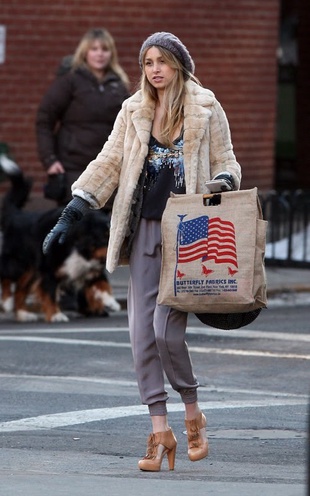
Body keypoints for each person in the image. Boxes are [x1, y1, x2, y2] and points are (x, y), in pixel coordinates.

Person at [42, 32, 242, 471]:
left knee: (165, 332)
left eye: (162, 61)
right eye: (148, 62)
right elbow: (109, 161)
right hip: (145, 231)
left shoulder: (206, 107)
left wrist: (224, 181)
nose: (154, 69)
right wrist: (75, 207)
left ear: (178, 65)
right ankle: (158, 430)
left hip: (190, 230)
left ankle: (192, 410)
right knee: (139, 337)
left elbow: (228, 159)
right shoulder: (133, 109)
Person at [36, 27, 130, 205]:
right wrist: (49, 159)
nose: (100, 54)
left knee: (103, 229)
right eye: (94, 49)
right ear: (85, 52)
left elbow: (129, 126)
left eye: (105, 49)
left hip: (107, 170)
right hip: (73, 168)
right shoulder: (70, 81)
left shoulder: (119, 85)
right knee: (74, 226)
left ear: (112, 53)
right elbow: (44, 119)